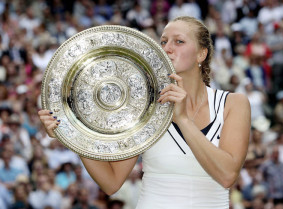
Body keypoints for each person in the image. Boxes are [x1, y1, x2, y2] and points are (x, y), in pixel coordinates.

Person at [38, 16, 250, 208]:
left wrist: (183, 120)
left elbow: (227, 175)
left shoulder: (233, 103)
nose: (167, 48)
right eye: (164, 41)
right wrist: (72, 134)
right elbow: (111, 183)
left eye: (179, 41)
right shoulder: (144, 105)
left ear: (201, 54)